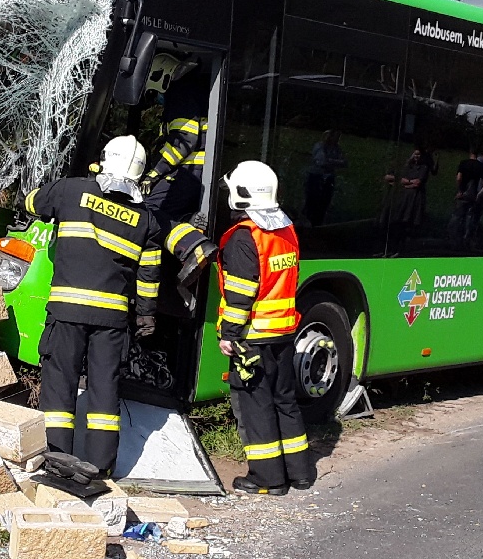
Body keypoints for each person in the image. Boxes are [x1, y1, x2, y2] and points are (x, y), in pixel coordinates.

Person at [25, 136, 166, 476]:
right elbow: (149, 273)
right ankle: (99, 469)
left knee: (60, 384)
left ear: (104, 160)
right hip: (112, 319)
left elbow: (32, 203)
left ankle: (56, 461)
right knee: (105, 390)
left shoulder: (71, 191)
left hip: (66, 312)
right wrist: (146, 314)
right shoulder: (147, 221)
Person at [216, 160, 314, 495]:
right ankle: (300, 473)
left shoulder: (244, 238)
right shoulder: (286, 231)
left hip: (252, 338)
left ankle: (268, 478)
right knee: (284, 400)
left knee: (255, 406)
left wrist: (228, 334)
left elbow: (241, 294)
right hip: (284, 332)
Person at [139, 55, 218, 290]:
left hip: (188, 172)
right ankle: (188, 224)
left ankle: (194, 246)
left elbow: (185, 138)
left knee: (148, 212)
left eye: (154, 94)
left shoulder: (180, 91)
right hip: (195, 174)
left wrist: (154, 173)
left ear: (160, 74)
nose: (156, 100)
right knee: (167, 213)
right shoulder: (193, 91)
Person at [303, 130, 347, 226]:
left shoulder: (337, 149)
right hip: (315, 177)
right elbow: (321, 162)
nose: (336, 140)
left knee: (324, 202)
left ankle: (318, 223)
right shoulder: (320, 146)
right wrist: (335, 162)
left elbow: (344, 162)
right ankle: (308, 222)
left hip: (328, 178)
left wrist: (331, 162)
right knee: (312, 200)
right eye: (334, 137)